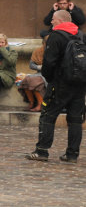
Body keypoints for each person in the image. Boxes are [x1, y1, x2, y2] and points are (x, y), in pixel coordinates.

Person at [27, 10, 86, 163]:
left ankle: (42, 151)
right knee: (75, 120)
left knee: (48, 115)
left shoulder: (56, 36)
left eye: (53, 19)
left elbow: (49, 63)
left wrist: (50, 79)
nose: (51, 22)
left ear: (60, 20)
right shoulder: (80, 35)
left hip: (60, 84)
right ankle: (72, 154)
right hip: (80, 84)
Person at [17, 37, 47, 112]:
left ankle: (40, 104)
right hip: (40, 72)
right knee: (26, 79)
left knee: (34, 82)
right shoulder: (38, 51)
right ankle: (31, 102)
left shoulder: (55, 52)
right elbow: (31, 65)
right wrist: (39, 67)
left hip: (50, 74)